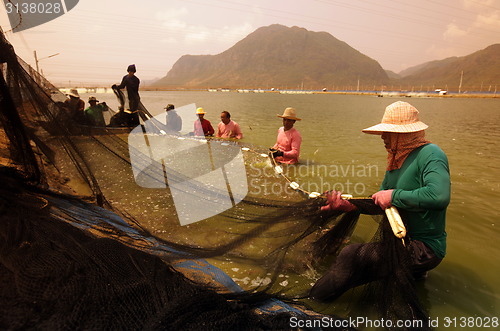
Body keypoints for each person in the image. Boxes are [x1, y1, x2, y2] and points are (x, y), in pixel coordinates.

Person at [310, 101, 450, 301]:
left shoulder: (431, 154)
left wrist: (393, 195)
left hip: (424, 248)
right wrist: (349, 206)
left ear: (404, 134)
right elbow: (381, 203)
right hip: (400, 241)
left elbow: (439, 196)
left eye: (388, 132)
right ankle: (413, 277)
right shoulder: (395, 160)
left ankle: (311, 301)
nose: (383, 137)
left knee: (351, 255)